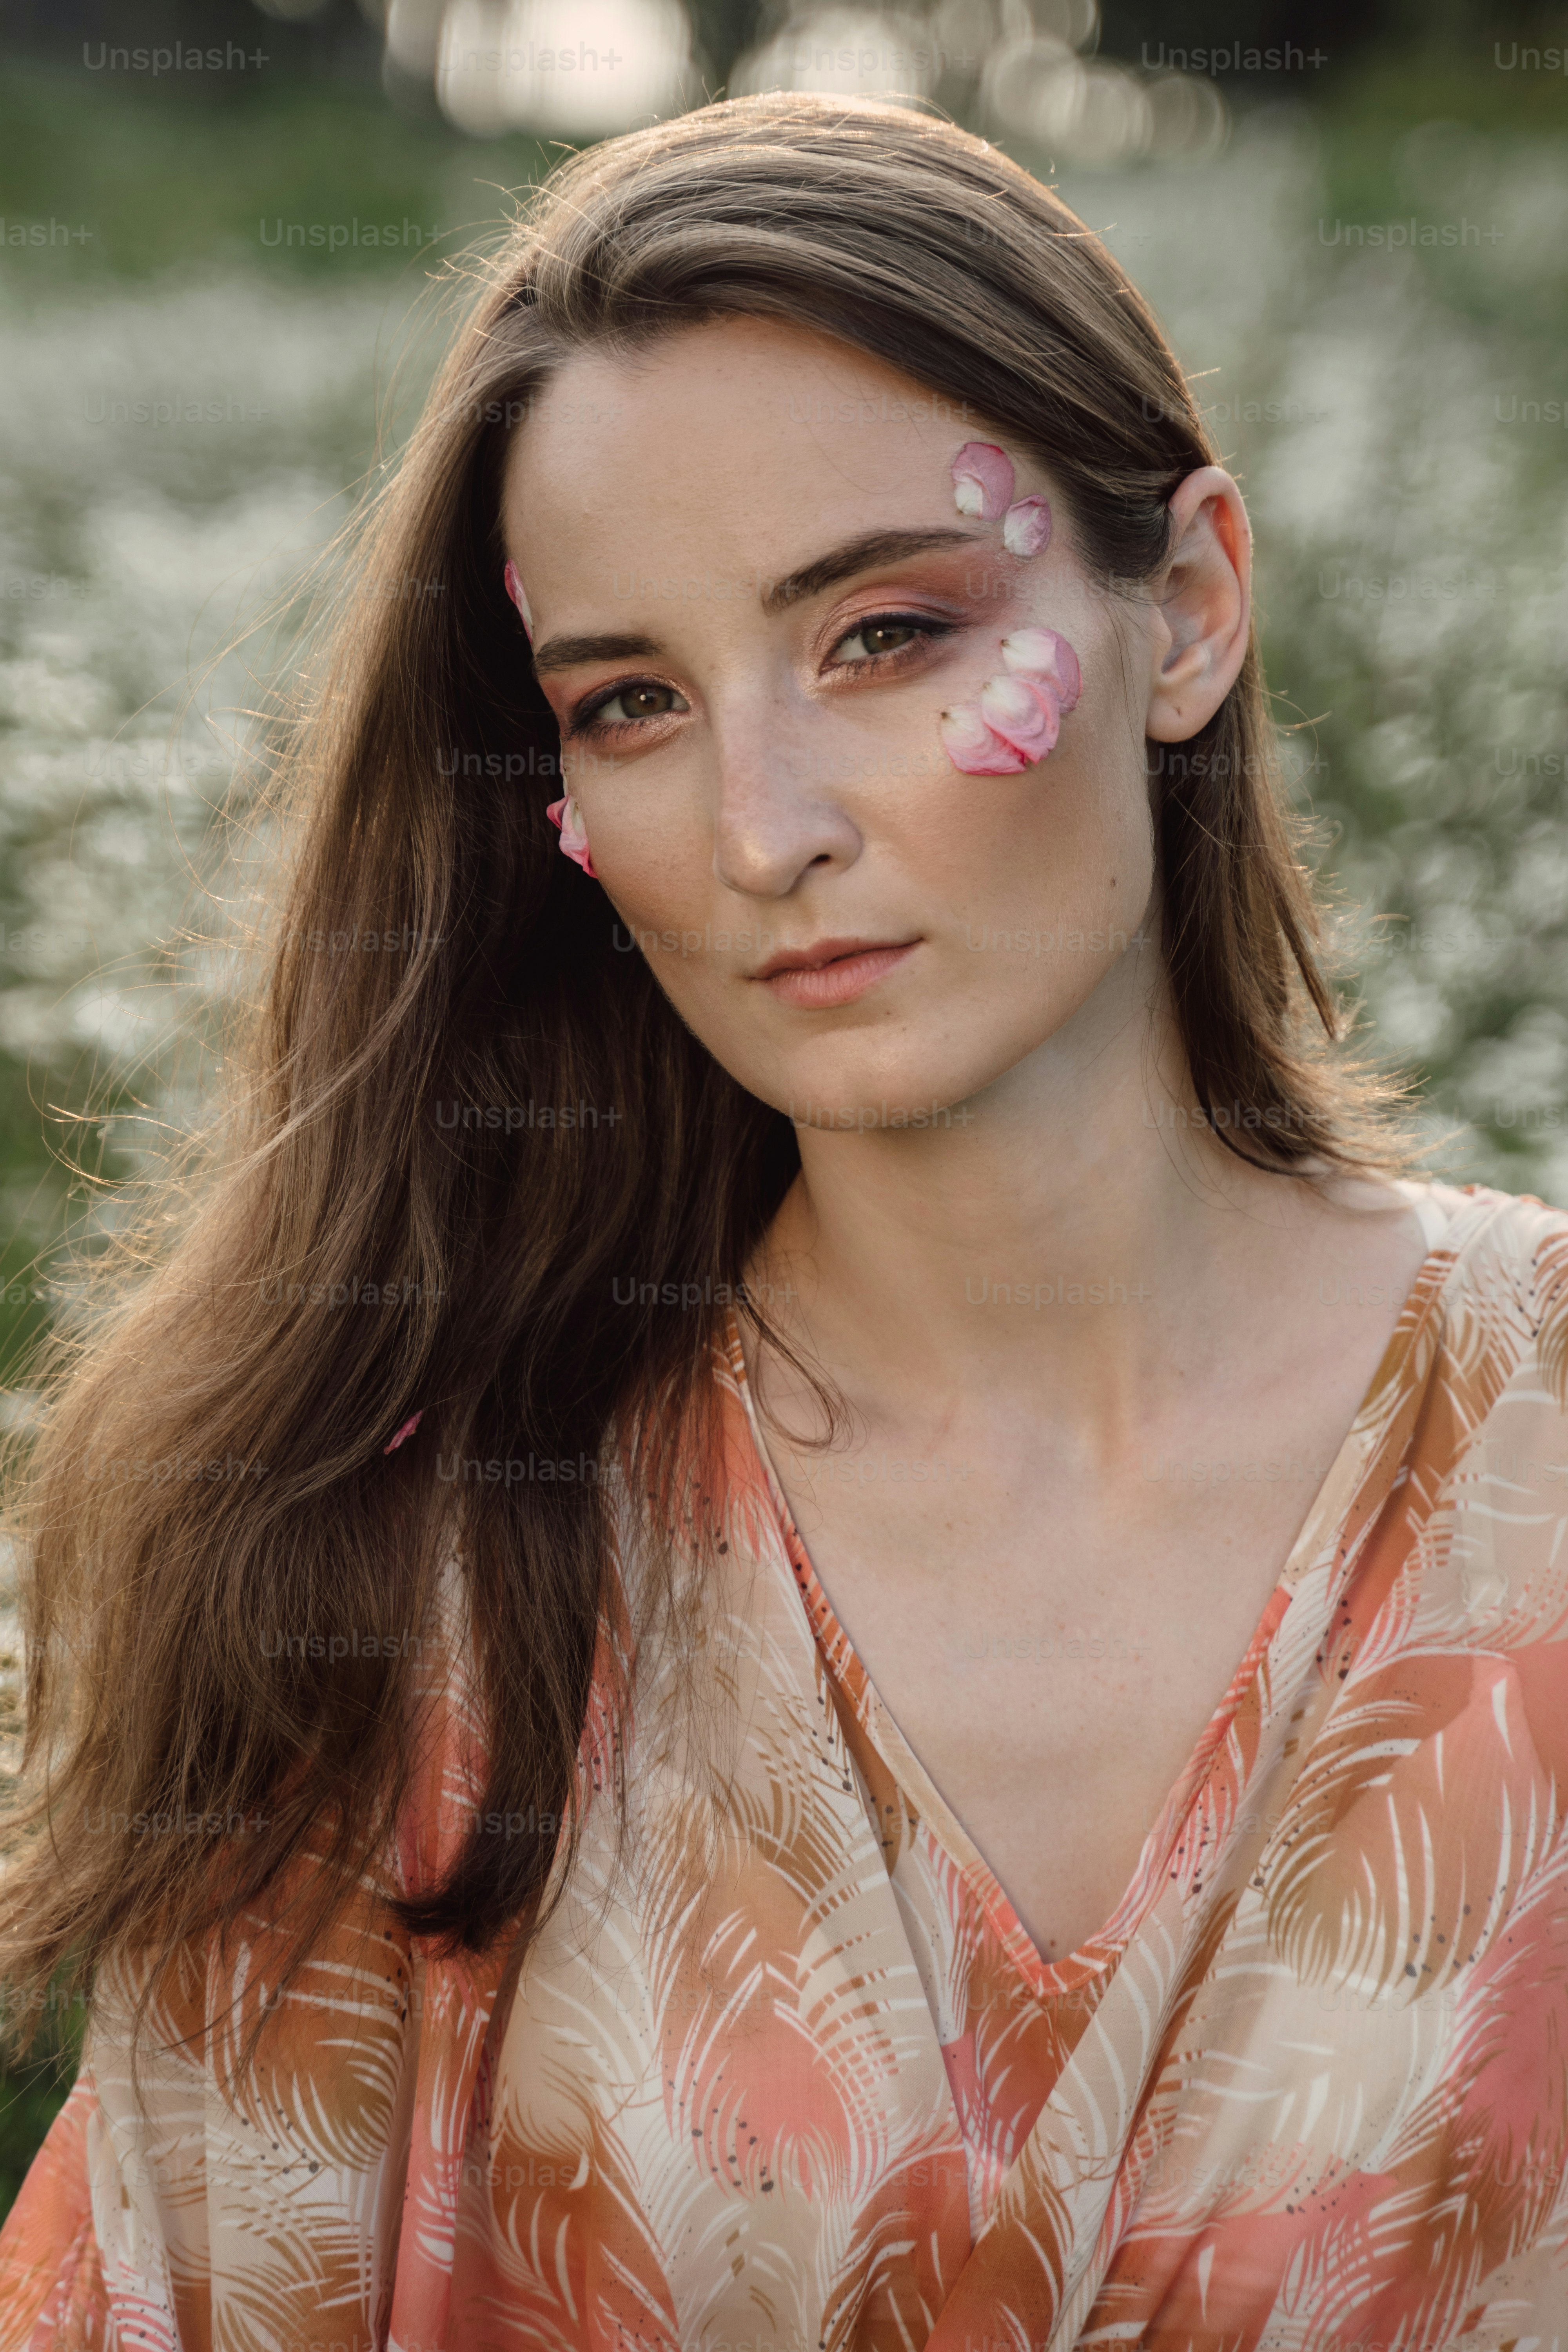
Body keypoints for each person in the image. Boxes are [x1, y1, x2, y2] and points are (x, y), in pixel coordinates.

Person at [2, 91, 1566, 2352]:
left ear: (1193, 609)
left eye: (885, 635)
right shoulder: (402, 1576)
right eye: (631, 702)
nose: (762, 831)